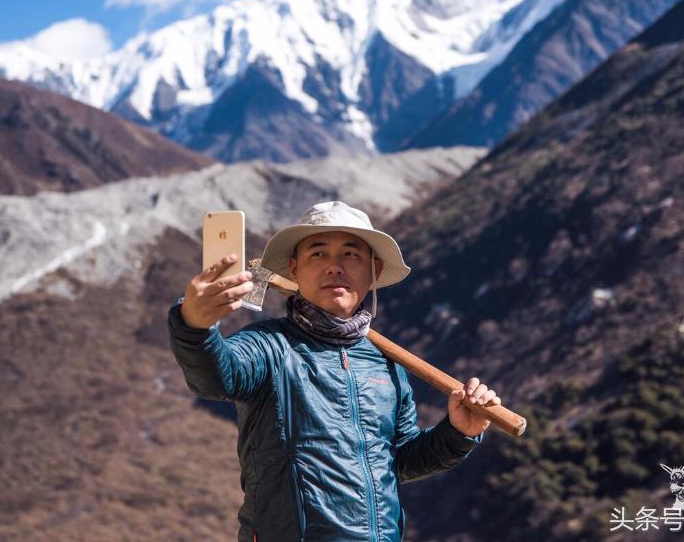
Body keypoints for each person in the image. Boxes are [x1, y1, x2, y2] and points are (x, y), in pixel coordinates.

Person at [167, 201, 501, 541]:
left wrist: (458, 432)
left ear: (374, 270)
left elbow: (397, 461)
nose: (334, 267)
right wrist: (195, 325)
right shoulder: (269, 347)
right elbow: (216, 377)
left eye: (350, 254)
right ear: (294, 270)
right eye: (318, 254)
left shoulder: (386, 366)